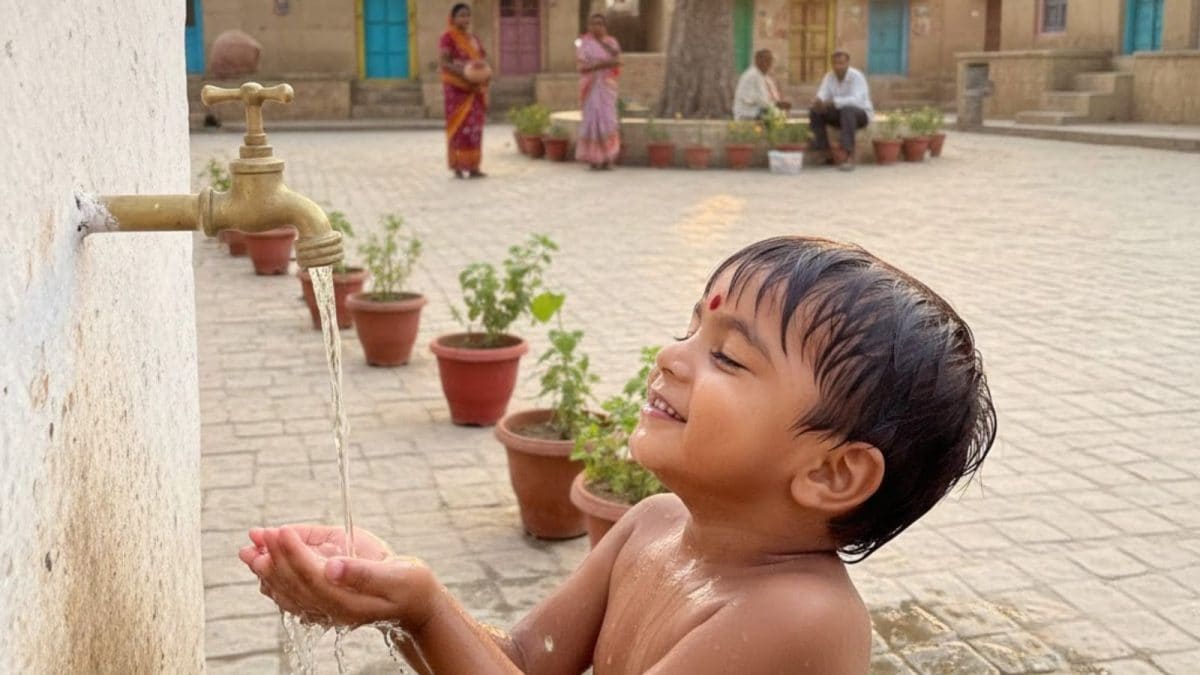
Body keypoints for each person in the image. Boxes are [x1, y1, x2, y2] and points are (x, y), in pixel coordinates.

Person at [240, 236, 996, 674]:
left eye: (728, 357)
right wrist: (398, 595)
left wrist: (424, 606)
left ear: (832, 471)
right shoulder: (652, 525)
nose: (670, 355)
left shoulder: (801, 616)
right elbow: (524, 660)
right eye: (690, 329)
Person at [439, 4, 489, 179]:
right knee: (459, 128)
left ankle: (474, 166)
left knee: (474, 128)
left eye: (467, 16)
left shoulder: (473, 39)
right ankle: (458, 167)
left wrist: (483, 73)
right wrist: (465, 73)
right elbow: (445, 63)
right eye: (461, 16)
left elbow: (481, 59)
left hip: (474, 89)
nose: (465, 19)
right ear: (452, 18)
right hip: (456, 89)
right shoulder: (447, 38)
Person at [809, 50, 874, 171]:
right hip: (840, 115)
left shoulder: (857, 76)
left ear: (847, 63)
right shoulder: (829, 77)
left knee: (848, 109)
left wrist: (833, 102)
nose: (838, 66)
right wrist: (818, 101)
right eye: (835, 63)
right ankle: (825, 153)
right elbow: (822, 93)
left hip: (861, 115)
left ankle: (848, 156)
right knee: (815, 111)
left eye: (841, 63)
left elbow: (857, 100)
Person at [575, 14, 622, 170]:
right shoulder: (584, 43)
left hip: (607, 87)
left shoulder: (612, 42)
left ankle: (608, 158)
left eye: (600, 24)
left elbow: (617, 62)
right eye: (593, 24)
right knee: (591, 120)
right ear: (589, 26)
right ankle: (593, 158)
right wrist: (602, 65)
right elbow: (581, 67)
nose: (597, 27)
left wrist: (602, 64)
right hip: (590, 86)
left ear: (605, 26)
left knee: (609, 121)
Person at [733, 49, 791, 120]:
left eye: (770, 61)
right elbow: (753, 99)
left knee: (780, 114)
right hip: (748, 113)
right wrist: (776, 105)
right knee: (774, 115)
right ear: (757, 61)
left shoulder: (765, 77)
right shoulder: (751, 75)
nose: (768, 64)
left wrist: (780, 104)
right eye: (765, 61)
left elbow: (772, 98)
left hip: (761, 111)